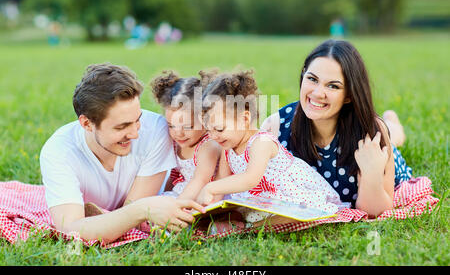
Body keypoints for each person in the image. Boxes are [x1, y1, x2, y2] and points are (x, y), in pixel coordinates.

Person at [40, 63, 204, 243]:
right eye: (122, 126)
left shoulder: (156, 129)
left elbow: (133, 216)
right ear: (87, 124)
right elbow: (70, 230)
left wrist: (137, 210)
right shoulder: (59, 151)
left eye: (137, 120)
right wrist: (142, 210)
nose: (135, 133)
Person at [261, 39, 412, 218]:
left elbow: (375, 212)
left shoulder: (371, 133)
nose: (317, 93)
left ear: (349, 95)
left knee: (393, 137)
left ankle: (391, 121)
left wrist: (371, 174)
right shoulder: (275, 126)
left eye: (333, 86)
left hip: (380, 147)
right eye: (312, 79)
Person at [196, 69, 346, 228]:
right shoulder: (228, 147)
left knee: (297, 214)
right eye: (208, 130)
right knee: (229, 214)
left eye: (219, 129)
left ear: (244, 118)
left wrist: (210, 187)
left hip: (292, 197)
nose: (213, 136)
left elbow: (250, 179)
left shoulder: (261, 142)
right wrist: (208, 209)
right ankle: (246, 224)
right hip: (263, 200)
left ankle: (252, 228)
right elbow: (222, 182)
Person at [150, 70, 222, 200]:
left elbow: (201, 180)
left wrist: (178, 206)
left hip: (200, 196)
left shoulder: (208, 146)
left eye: (188, 126)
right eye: (171, 125)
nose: (178, 133)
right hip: (182, 192)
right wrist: (164, 194)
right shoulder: (176, 144)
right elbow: (174, 176)